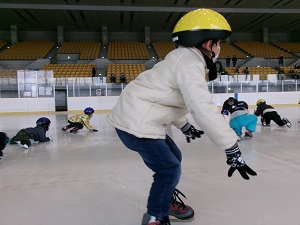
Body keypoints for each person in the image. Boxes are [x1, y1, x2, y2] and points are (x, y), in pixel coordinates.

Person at [107, 8, 257, 225]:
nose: (220, 48)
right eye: (219, 43)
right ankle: (156, 216)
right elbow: (201, 106)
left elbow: (166, 98)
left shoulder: (183, 59)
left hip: (137, 120)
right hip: (137, 124)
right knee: (168, 168)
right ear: (208, 44)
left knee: (173, 156)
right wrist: (231, 146)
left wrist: (183, 125)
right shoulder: (189, 62)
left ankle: (164, 200)